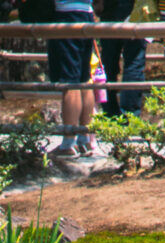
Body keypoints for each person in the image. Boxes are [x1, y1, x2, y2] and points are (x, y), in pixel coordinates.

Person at [45, 0, 97, 156]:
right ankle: (84, 139)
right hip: (87, 13)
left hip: (66, 14)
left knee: (70, 80)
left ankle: (69, 142)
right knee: (83, 78)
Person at [97, 0, 145, 116]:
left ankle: (109, 113)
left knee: (109, 61)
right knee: (134, 61)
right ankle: (130, 115)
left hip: (108, 8)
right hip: (132, 8)